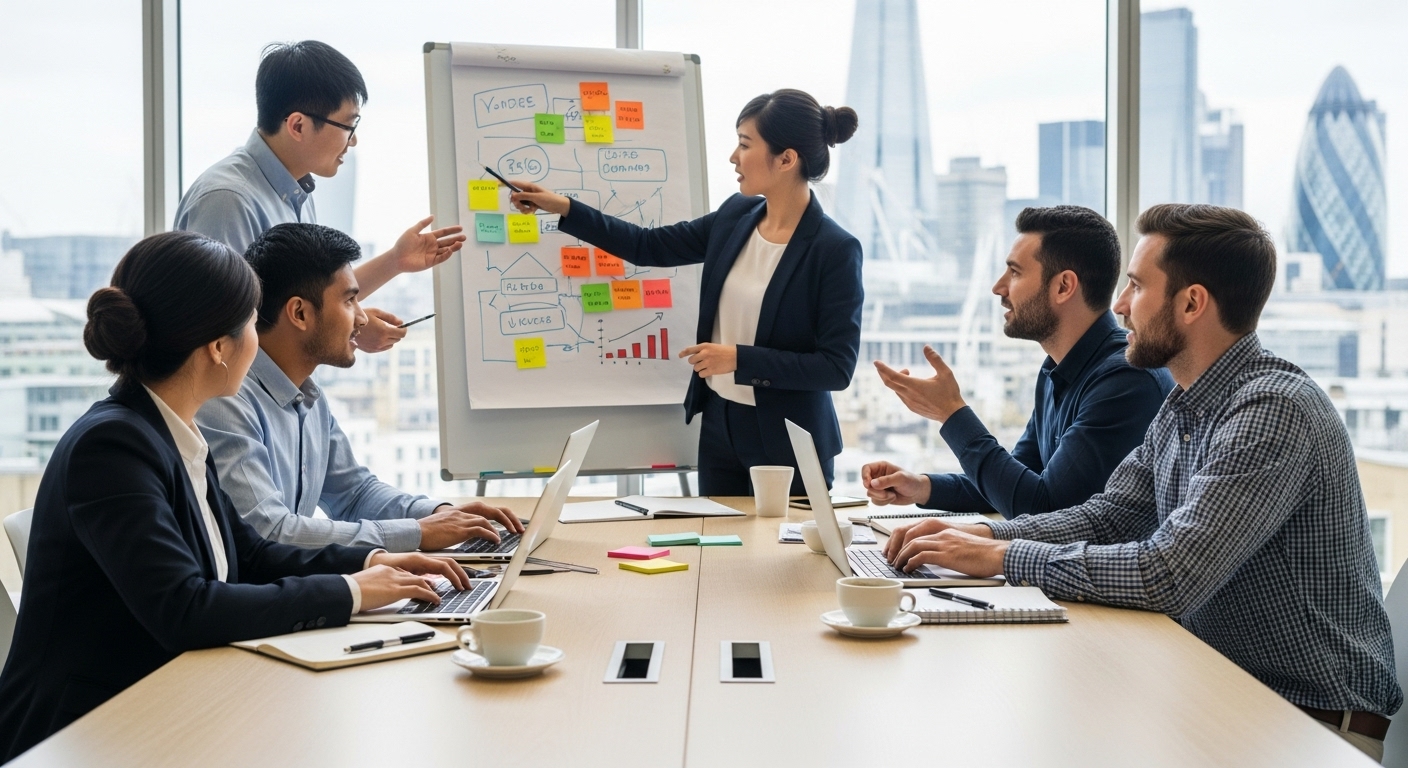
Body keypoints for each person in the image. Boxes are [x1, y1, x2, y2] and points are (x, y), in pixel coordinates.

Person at [884, 204, 1401, 761]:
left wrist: (1004, 559)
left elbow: (1168, 574)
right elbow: (1108, 516)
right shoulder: (1186, 401)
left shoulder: (1272, 411)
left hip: (1308, 727)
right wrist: (987, 538)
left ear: (1191, 303)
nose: (1121, 305)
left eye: (1135, 286)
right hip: (1223, 693)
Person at [0, 232, 471, 761]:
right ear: (219, 348)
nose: (259, 336)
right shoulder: (111, 448)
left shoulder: (174, 430)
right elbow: (185, 608)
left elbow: (250, 555)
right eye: (251, 321)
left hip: (166, 701)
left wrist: (375, 561)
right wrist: (351, 592)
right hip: (86, 731)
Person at [509, 90, 863, 495]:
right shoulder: (735, 217)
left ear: (786, 159)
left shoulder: (834, 249)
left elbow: (836, 368)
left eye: (745, 144)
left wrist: (738, 358)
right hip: (719, 426)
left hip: (789, 442)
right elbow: (648, 246)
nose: (733, 156)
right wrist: (564, 207)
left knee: (781, 557)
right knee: (714, 555)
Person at [196, 223, 523, 551]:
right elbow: (267, 531)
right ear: (299, 313)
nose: (363, 319)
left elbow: (354, 493)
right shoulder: (227, 401)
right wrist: (418, 532)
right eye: (350, 301)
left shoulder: (310, 398)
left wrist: (440, 514)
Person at [862, 206, 1173, 521]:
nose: (999, 287)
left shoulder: (1126, 381)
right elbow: (1015, 482)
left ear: (1064, 286)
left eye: (1015, 272)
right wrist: (922, 487)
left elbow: (1042, 508)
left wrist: (951, 413)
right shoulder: (1055, 369)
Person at [174, 40, 464, 354]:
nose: (352, 141)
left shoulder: (295, 190)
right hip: (245, 400)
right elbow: (224, 339)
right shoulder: (229, 202)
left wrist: (395, 262)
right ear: (298, 125)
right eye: (348, 125)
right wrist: (344, 330)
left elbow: (313, 297)